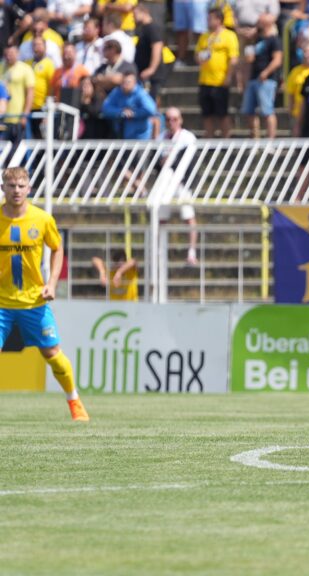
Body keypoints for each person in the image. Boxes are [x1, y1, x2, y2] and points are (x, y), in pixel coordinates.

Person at [0, 166, 88, 422]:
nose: (16, 191)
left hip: (34, 302)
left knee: (52, 355)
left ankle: (74, 401)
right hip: (2, 303)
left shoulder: (42, 219)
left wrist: (51, 283)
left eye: (21, 186)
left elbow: (57, 248)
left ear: (28, 189)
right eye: (11, 185)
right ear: (3, 188)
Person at [158, 107, 200, 265]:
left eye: (174, 119)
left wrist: (186, 183)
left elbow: (190, 163)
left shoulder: (187, 137)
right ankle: (159, 252)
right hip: (163, 184)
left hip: (181, 183)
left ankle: (191, 252)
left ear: (181, 120)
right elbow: (157, 161)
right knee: (160, 218)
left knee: (188, 217)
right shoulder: (161, 137)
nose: (171, 122)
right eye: (168, 119)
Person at [196, 7, 239, 138]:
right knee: (207, 113)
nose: (208, 21)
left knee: (222, 113)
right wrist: (200, 58)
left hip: (220, 81)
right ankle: (209, 140)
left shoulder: (229, 36)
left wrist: (228, 76)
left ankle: (226, 141)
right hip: (205, 80)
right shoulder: (205, 36)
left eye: (211, 18)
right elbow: (197, 54)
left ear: (219, 20)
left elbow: (233, 58)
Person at [241, 13, 282, 139]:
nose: (257, 23)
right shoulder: (257, 39)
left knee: (267, 111)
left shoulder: (274, 40)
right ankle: (255, 140)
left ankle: (270, 141)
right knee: (249, 111)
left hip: (266, 80)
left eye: (260, 21)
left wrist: (266, 72)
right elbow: (248, 57)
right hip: (253, 78)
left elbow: (277, 60)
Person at [101, 71, 157, 139]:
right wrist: (121, 112)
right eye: (123, 82)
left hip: (140, 140)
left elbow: (151, 109)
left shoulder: (140, 93)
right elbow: (105, 109)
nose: (125, 85)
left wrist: (133, 113)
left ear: (134, 83)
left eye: (128, 82)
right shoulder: (117, 92)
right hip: (122, 138)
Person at [1, 44, 35, 144]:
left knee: (18, 150)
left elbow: (30, 93)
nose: (8, 56)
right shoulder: (1, 67)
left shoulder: (25, 69)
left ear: (18, 53)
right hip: (2, 117)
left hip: (17, 117)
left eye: (11, 53)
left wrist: (25, 114)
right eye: (6, 54)